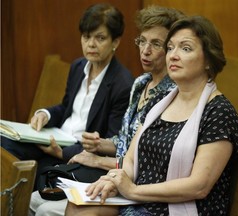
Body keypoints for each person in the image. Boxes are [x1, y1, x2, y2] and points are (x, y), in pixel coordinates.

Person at [65, 15, 238, 216]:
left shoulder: (219, 112)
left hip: (181, 208)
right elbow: (131, 159)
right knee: (78, 206)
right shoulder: (159, 101)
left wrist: (132, 190)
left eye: (185, 49)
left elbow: (198, 186)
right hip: (144, 200)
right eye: (170, 48)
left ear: (209, 61)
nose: (173, 56)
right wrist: (114, 179)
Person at [29, 5, 185, 216]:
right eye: (142, 41)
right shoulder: (141, 83)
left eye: (156, 44)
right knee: (34, 198)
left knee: (45, 208)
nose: (145, 50)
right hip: (116, 173)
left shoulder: (173, 95)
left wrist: (98, 159)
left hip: (135, 184)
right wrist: (100, 143)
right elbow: (125, 139)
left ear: (171, 48)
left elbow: (146, 160)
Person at [1, 3, 134, 180]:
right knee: (4, 144)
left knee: (39, 175)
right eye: (86, 37)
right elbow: (66, 108)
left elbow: (111, 141)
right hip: (54, 137)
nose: (91, 44)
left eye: (100, 38)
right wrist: (45, 114)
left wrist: (61, 153)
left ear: (115, 42)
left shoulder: (123, 84)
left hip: (79, 152)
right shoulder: (78, 66)